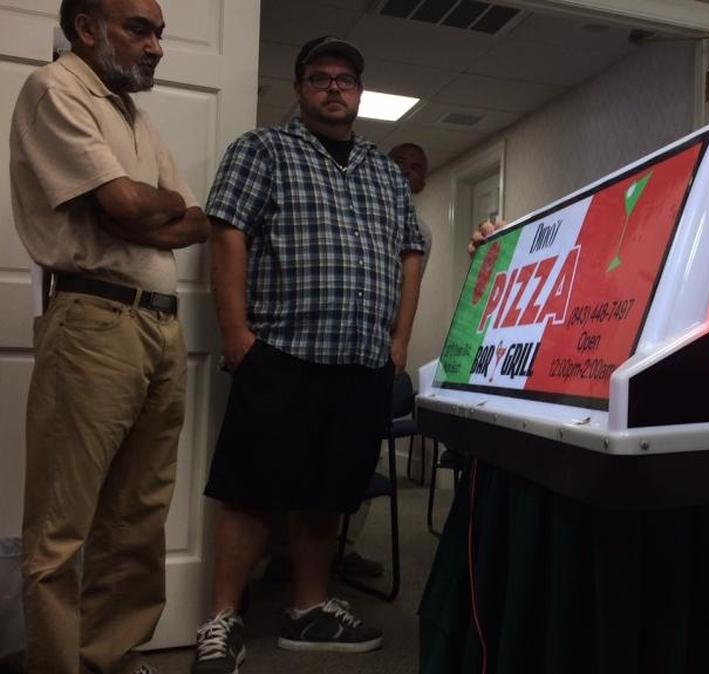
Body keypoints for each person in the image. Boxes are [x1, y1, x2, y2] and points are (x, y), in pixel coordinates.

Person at [191, 35, 425, 673]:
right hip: (283, 352)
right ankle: (221, 621)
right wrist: (236, 334)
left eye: (345, 79)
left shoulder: (385, 171)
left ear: (359, 92)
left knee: (328, 493)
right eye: (320, 77)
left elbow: (411, 253)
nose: (333, 88)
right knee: (249, 490)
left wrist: (399, 341)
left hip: (361, 362)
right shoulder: (261, 149)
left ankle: (309, 608)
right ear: (300, 89)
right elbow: (227, 234)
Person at [10, 1, 210, 671]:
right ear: (87, 28)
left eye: (160, 33)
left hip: (159, 325)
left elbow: (194, 220)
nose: (156, 47)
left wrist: (147, 206)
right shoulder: (55, 89)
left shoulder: (134, 116)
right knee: (61, 527)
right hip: (94, 321)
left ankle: (111, 659)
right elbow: (124, 203)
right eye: (139, 29)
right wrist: (138, 203)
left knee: (137, 517)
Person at [333, 141, 433, 579]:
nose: (408, 171)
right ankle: (287, 552)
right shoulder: (353, 207)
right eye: (401, 163)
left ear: (423, 180)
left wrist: (399, 342)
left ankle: (345, 546)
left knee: (364, 453)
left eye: (417, 167)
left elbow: (407, 291)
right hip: (330, 345)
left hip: (378, 351)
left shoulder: (422, 233)